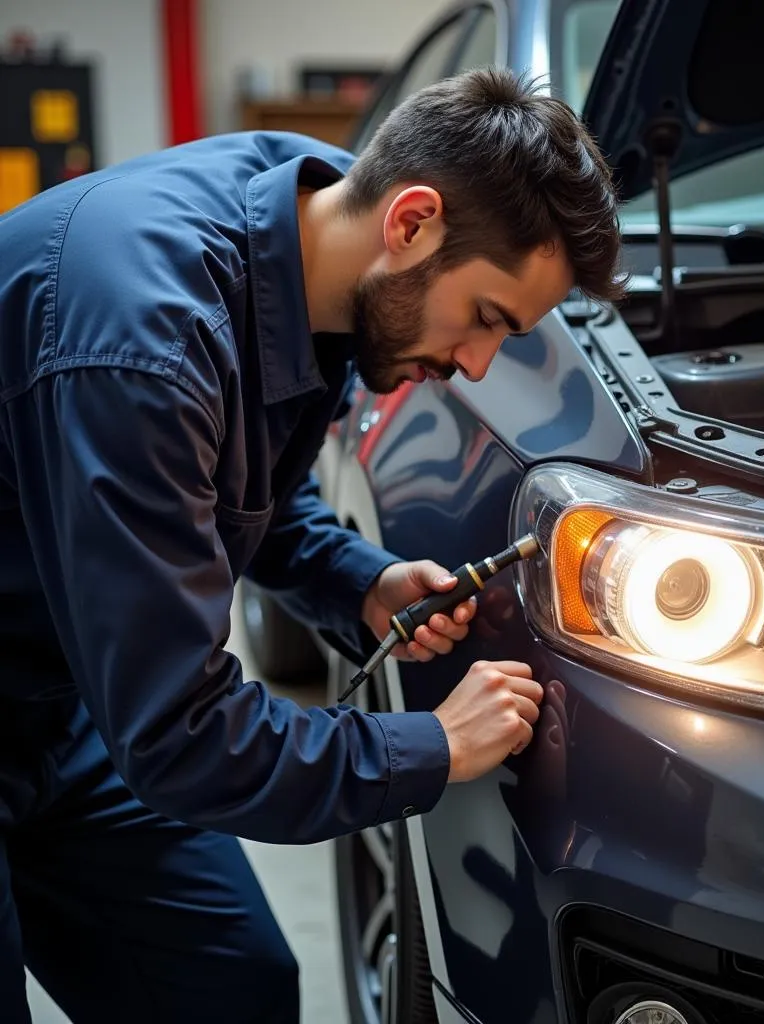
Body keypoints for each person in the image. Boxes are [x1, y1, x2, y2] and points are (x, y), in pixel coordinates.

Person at [0, 68, 624, 1021]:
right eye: (487, 318)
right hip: (83, 694)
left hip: (58, 700)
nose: (475, 365)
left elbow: (227, 493)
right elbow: (178, 736)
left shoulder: (325, 233)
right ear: (412, 222)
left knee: (231, 988)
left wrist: (361, 580)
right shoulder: (146, 340)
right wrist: (429, 746)